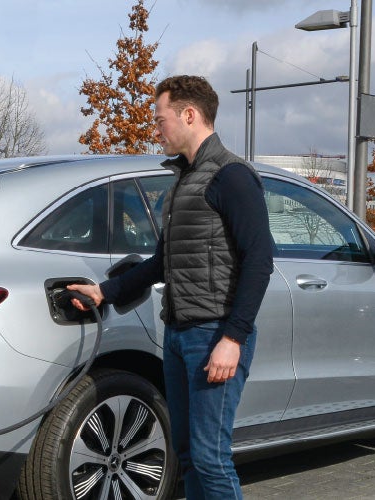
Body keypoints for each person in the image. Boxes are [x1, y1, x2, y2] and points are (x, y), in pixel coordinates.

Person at [67, 75, 274, 499]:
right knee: (187, 452)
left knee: (211, 456)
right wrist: (108, 292)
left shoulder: (232, 177)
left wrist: (232, 337)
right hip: (180, 334)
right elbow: (164, 262)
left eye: (161, 119)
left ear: (190, 115)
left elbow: (260, 261)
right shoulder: (184, 180)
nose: (156, 128)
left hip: (214, 334)